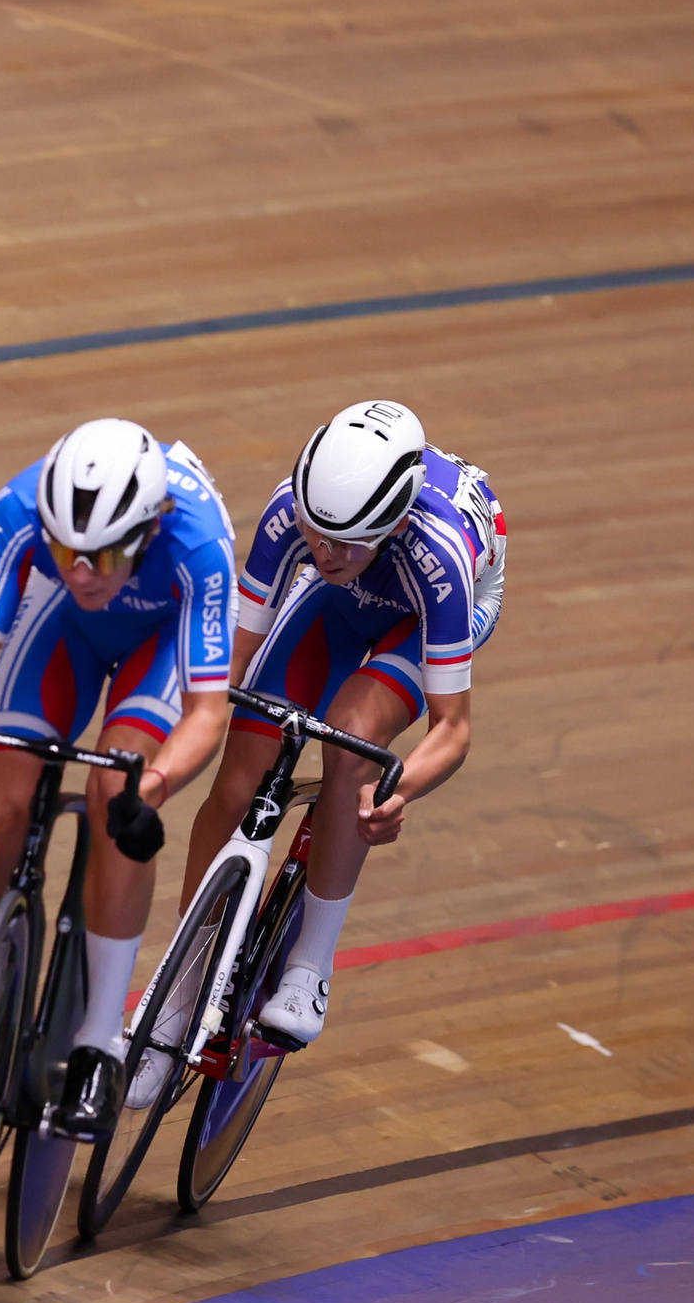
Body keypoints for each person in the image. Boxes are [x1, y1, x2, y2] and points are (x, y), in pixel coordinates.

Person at [135, 399, 506, 1107]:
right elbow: (233, 655)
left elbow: (453, 727)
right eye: (318, 534)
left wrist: (401, 789)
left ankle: (309, 966)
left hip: (418, 615)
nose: (326, 552)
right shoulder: (291, 515)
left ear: (394, 524)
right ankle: (175, 993)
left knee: (353, 734)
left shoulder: (441, 558)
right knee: (242, 771)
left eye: (347, 543)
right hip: (341, 606)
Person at [0, 420, 235, 1137]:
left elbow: (208, 710)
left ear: (148, 531)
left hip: (158, 640)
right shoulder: (22, 512)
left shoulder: (198, 545)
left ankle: (99, 1042)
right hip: (60, 631)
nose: (82, 570)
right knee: (3, 803)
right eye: (65, 550)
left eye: (103, 554)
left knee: (117, 793)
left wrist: (155, 787)